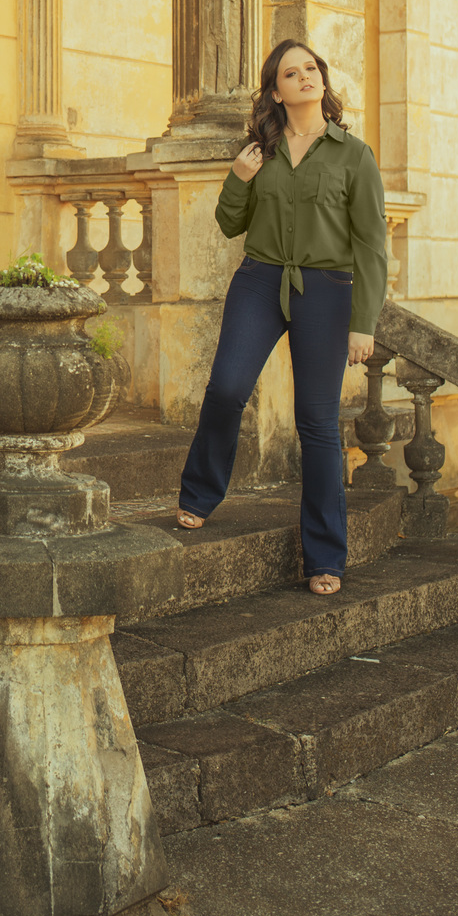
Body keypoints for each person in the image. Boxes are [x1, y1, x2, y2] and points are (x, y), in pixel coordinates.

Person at [176, 41, 388, 596]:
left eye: (311, 69)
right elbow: (230, 224)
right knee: (226, 388)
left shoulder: (354, 155)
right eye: (292, 74)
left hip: (327, 290)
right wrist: (238, 178)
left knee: (316, 422)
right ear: (276, 91)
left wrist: (363, 322)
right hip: (260, 280)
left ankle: (325, 557)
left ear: (322, 79)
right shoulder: (259, 152)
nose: (305, 78)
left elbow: (372, 246)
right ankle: (199, 493)